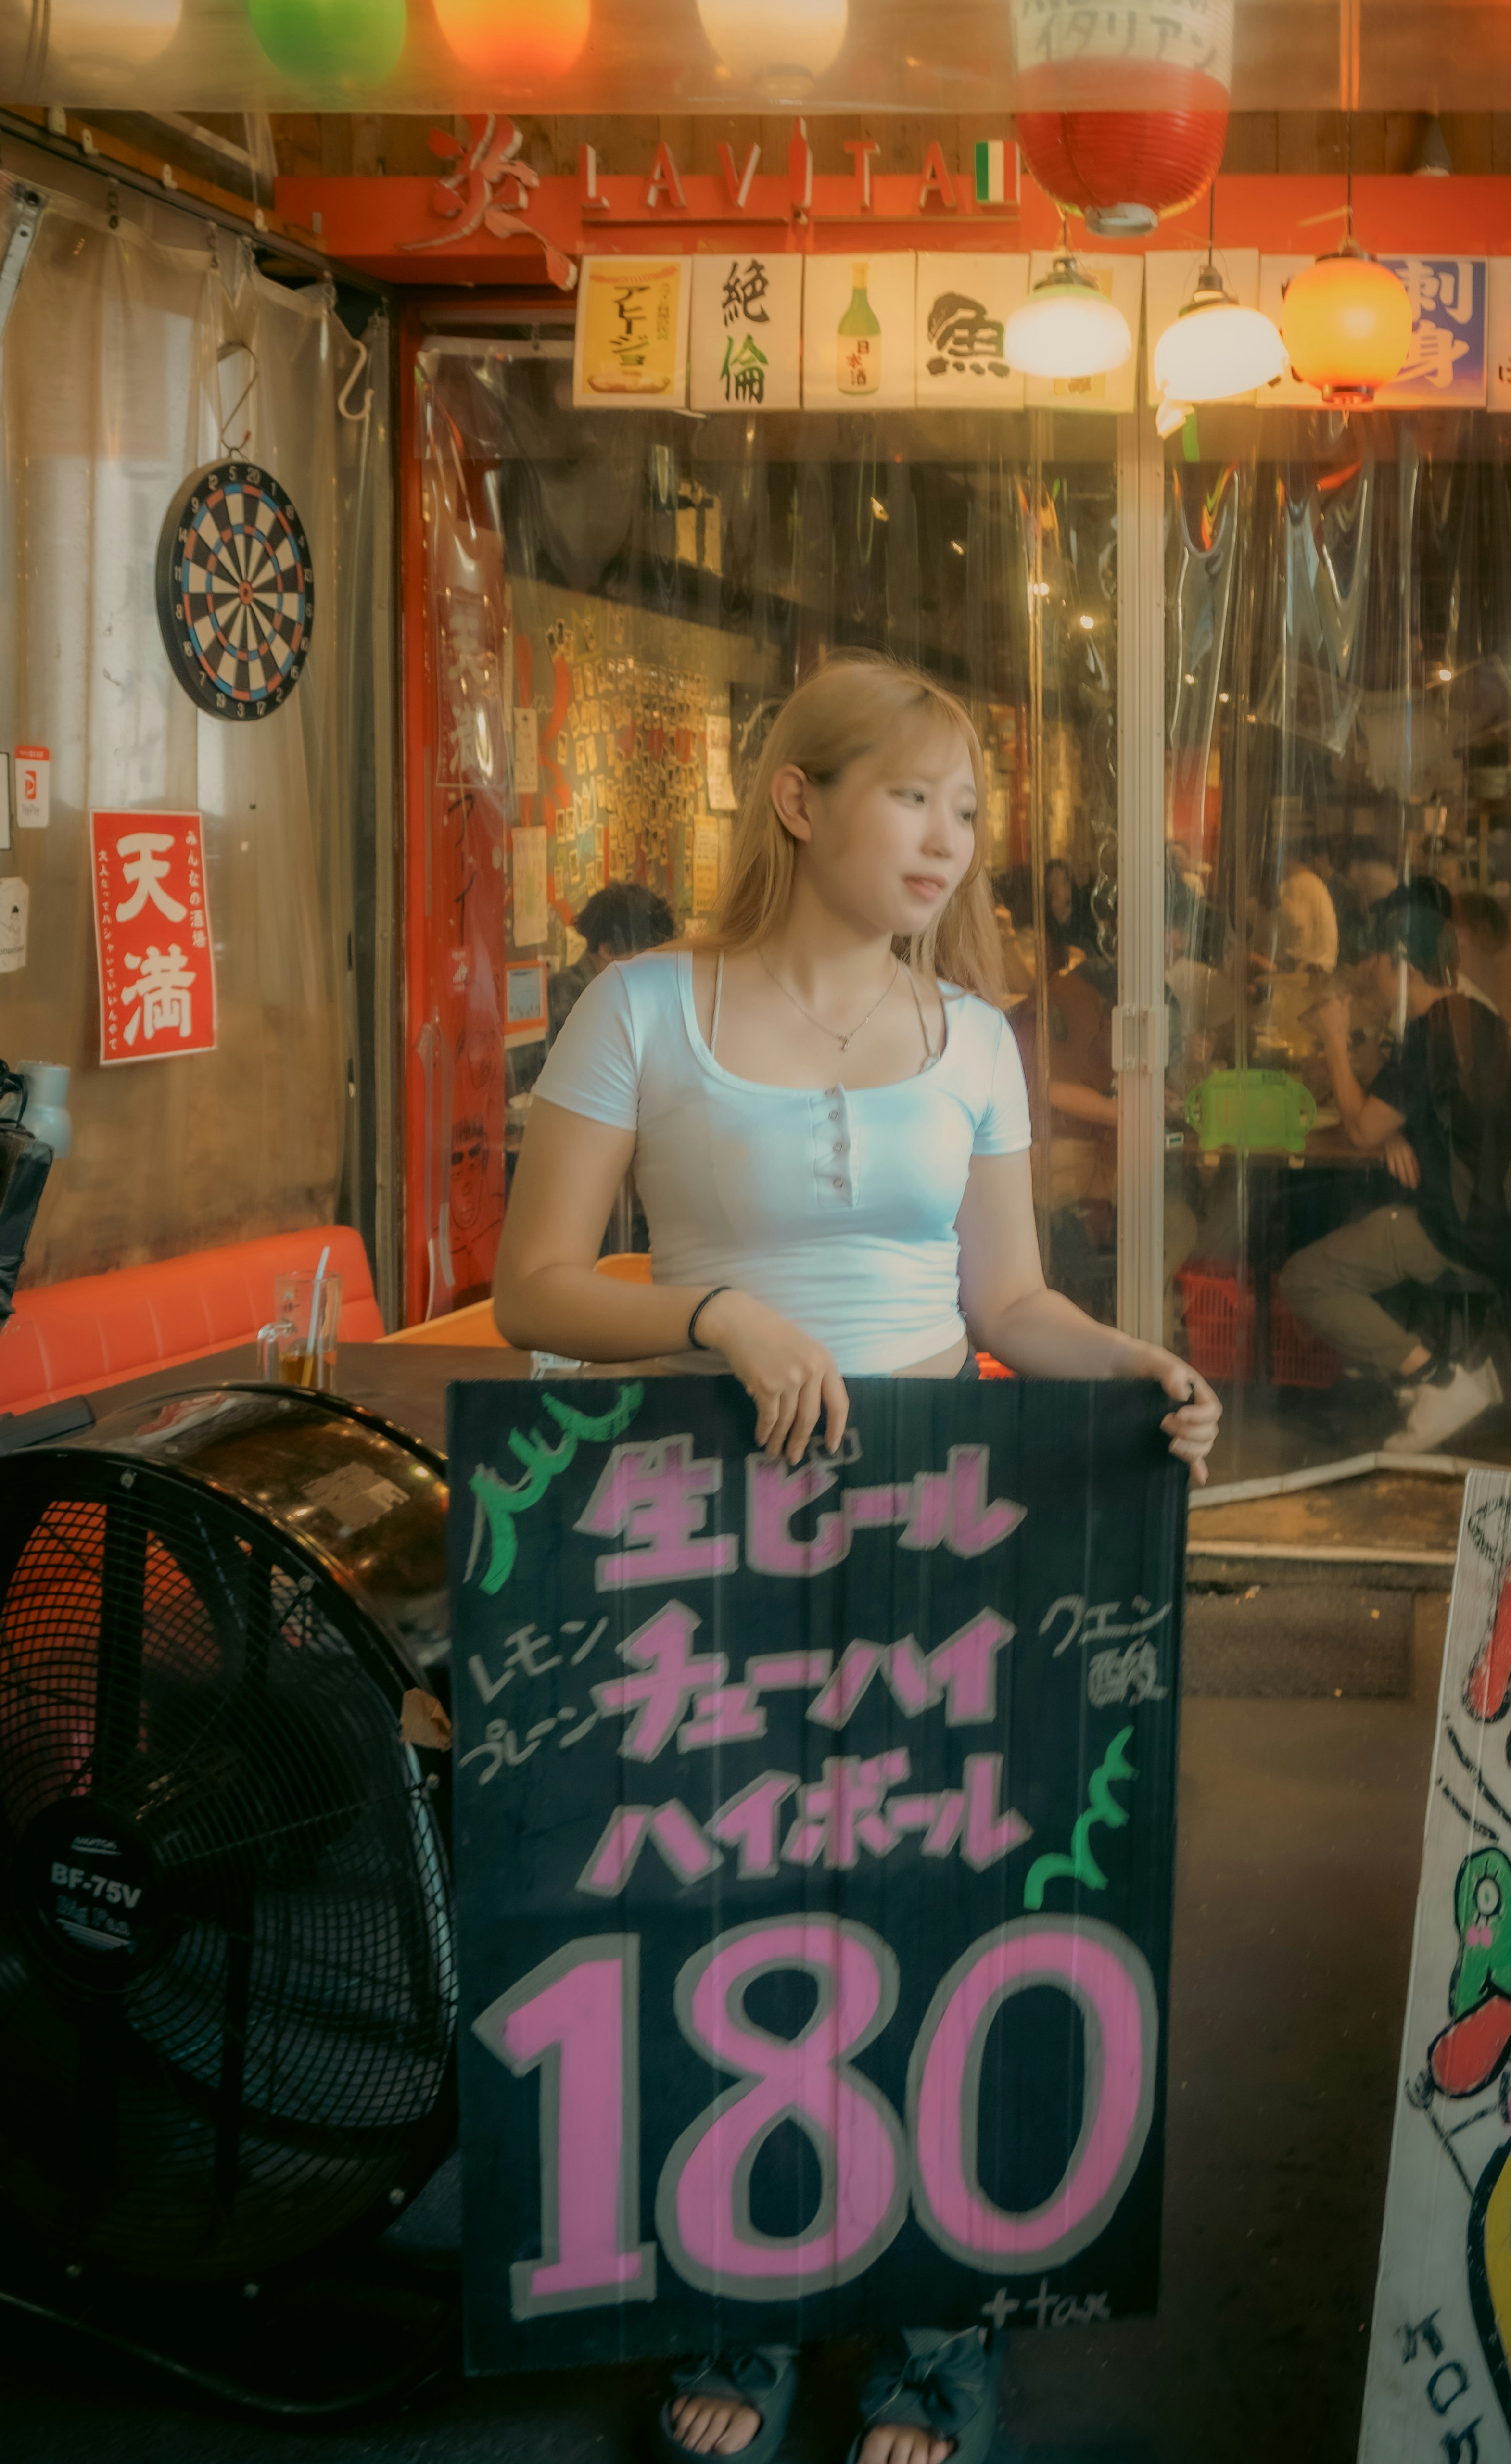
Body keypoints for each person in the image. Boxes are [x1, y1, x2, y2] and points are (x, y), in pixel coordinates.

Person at [494, 656, 1219, 2464]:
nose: (950, 840)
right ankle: (727, 2297)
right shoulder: (642, 1007)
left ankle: (930, 2327)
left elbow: (1006, 1302)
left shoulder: (975, 1034)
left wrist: (1129, 1363)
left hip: (934, 1524)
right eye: (915, 795)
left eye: (968, 811)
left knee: (931, 1898)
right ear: (800, 800)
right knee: (714, 1902)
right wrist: (720, 1308)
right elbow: (537, 1285)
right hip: (697, 1522)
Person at [1277, 889, 1511, 1455]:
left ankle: (1436, 1380)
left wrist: (1334, 1038)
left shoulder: (1433, 1032)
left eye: (1377, 962)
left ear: (1400, 963)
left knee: (1305, 1277)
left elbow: (1359, 1130)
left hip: (1463, 1232)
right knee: (1363, 1219)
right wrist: (1396, 1130)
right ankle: (1438, 1369)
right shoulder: (1468, 1016)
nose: (1370, 974)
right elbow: (1401, 1105)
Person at [547, 880, 678, 1038]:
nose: (652, 967)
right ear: (608, 950)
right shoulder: (568, 994)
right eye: (645, 955)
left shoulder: (619, 990)